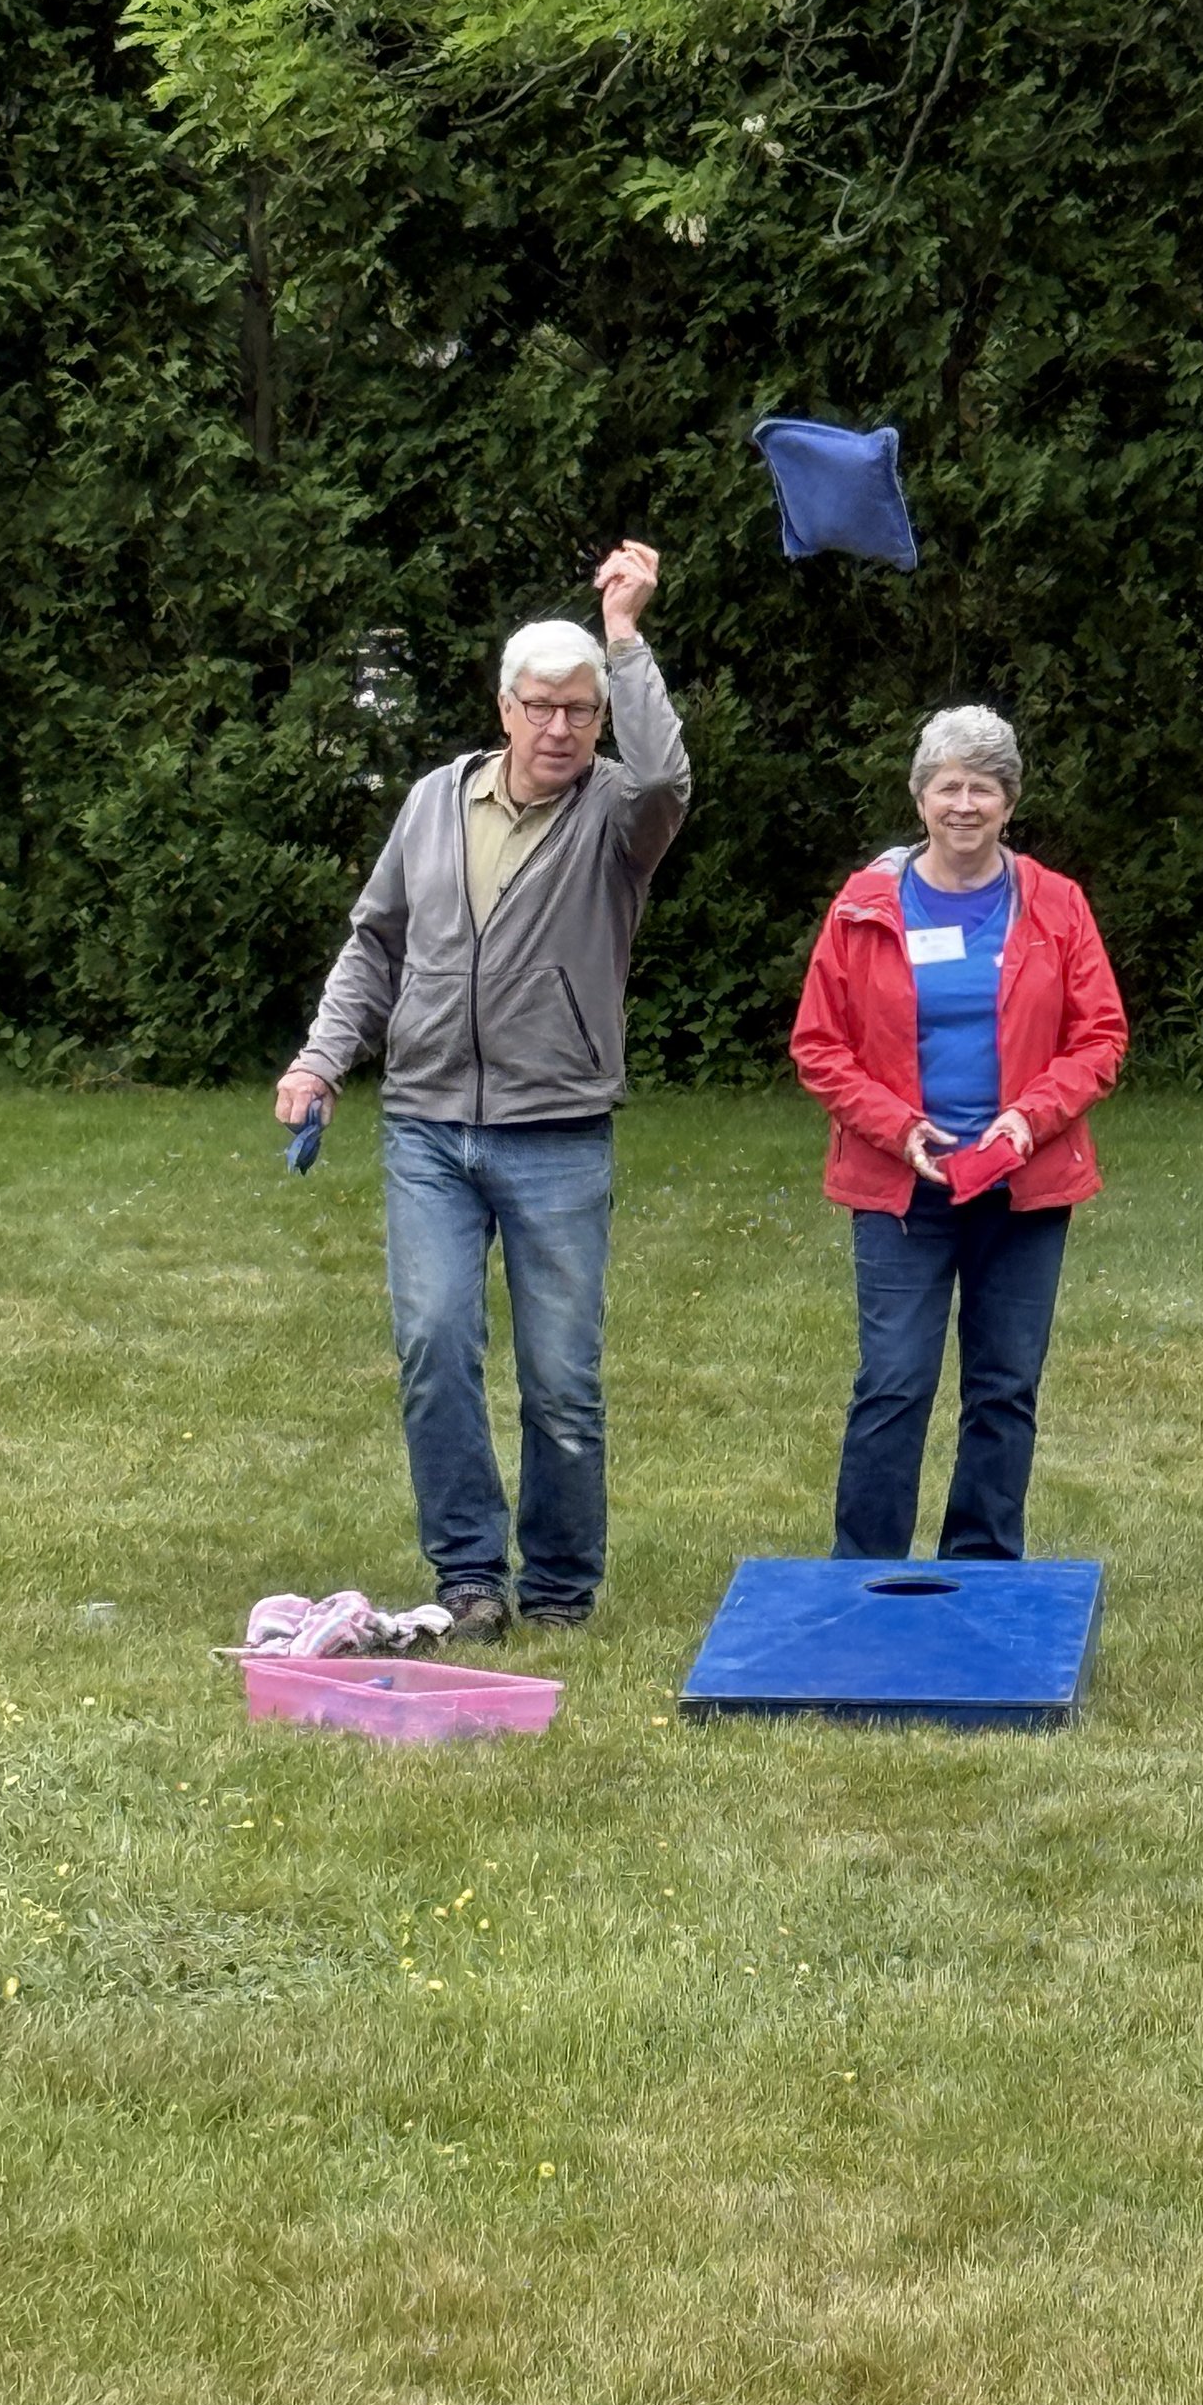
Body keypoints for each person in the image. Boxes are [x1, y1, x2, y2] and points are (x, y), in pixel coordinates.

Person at [275, 548, 690, 1639]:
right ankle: (468, 1575)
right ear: (504, 707)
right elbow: (375, 942)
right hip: (424, 1127)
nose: (561, 728)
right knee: (433, 1348)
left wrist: (625, 637)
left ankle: (557, 1588)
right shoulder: (430, 801)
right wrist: (321, 1061)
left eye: (582, 711)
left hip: (556, 1131)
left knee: (562, 1380)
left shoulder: (616, 818)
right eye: (542, 707)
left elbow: (666, 780)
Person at [789, 705, 1126, 1562]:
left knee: (1003, 1389)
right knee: (893, 1384)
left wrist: (1027, 1120)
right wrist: (898, 1128)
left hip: (1023, 1183)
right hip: (902, 1185)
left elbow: (1099, 1038)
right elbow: (819, 1047)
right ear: (921, 797)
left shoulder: (1055, 904)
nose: (965, 804)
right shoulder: (866, 903)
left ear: (1009, 801)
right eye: (948, 786)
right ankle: (864, 1572)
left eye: (983, 787)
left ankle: (980, 1569)